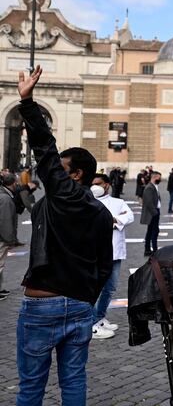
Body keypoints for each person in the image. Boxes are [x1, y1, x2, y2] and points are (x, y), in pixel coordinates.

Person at [15, 66, 113, 405]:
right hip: (80, 305)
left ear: (77, 174)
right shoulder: (102, 212)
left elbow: (44, 147)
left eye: (61, 169)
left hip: (43, 304)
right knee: (73, 382)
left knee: (31, 388)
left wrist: (27, 101)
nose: (52, 172)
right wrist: (86, 298)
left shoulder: (63, 194)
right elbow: (105, 266)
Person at [90, 173, 134, 339]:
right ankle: (91, 323)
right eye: (92, 183)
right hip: (94, 253)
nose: (95, 187)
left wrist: (114, 220)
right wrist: (111, 221)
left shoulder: (118, 202)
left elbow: (128, 216)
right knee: (94, 288)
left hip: (114, 251)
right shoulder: (87, 202)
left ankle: (99, 317)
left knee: (110, 288)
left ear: (106, 184)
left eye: (98, 183)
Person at [0, 172, 18, 302]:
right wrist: (9, 239)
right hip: (2, 238)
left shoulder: (5, 195)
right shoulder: (5, 198)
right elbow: (5, 220)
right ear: (13, 183)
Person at [140, 171, 162, 256]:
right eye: (159, 177)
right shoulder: (149, 187)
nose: (160, 179)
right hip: (152, 213)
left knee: (150, 231)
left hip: (154, 212)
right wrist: (155, 213)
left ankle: (148, 249)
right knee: (154, 231)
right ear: (155, 177)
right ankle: (154, 249)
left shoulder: (154, 186)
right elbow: (149, 202)